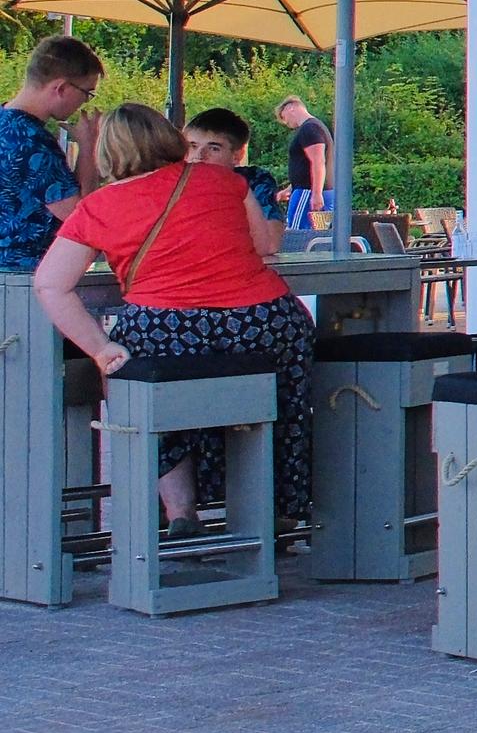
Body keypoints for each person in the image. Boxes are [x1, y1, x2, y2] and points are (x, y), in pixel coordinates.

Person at [31, 102, 311, 529]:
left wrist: (101, 347)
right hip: (263, 321)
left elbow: (50, 284)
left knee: (145, 395)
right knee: (282, 406)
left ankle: (180, 512)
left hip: (167, 326)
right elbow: (263, 245)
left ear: (109, 151)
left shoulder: (98, 206)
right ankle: (275, 510)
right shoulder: (222, 180)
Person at [0, 35, 103, 276]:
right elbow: (78, 217)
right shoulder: (31, 142)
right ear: (61, 88)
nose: (85, 101)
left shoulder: (7, 124)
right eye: (87, 92)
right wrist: (89, 148)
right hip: (24, 275)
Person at [184, 107, 281, 213]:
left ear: (237, 155)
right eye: (192, 146)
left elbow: (270, 229)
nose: (199, 155)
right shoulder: (173, 181)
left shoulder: (253, 181)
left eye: (213, 148)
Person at [275, 94, 332, 234]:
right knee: (314, 235)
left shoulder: (309, 128)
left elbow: (318, 162)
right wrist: (290, 189)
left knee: (295, 234)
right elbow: (305, 165)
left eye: (284, 118)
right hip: (309, 190)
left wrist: (316, 193)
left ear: (291, 108)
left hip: (307, 192)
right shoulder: (316, 127)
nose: (286, 123)